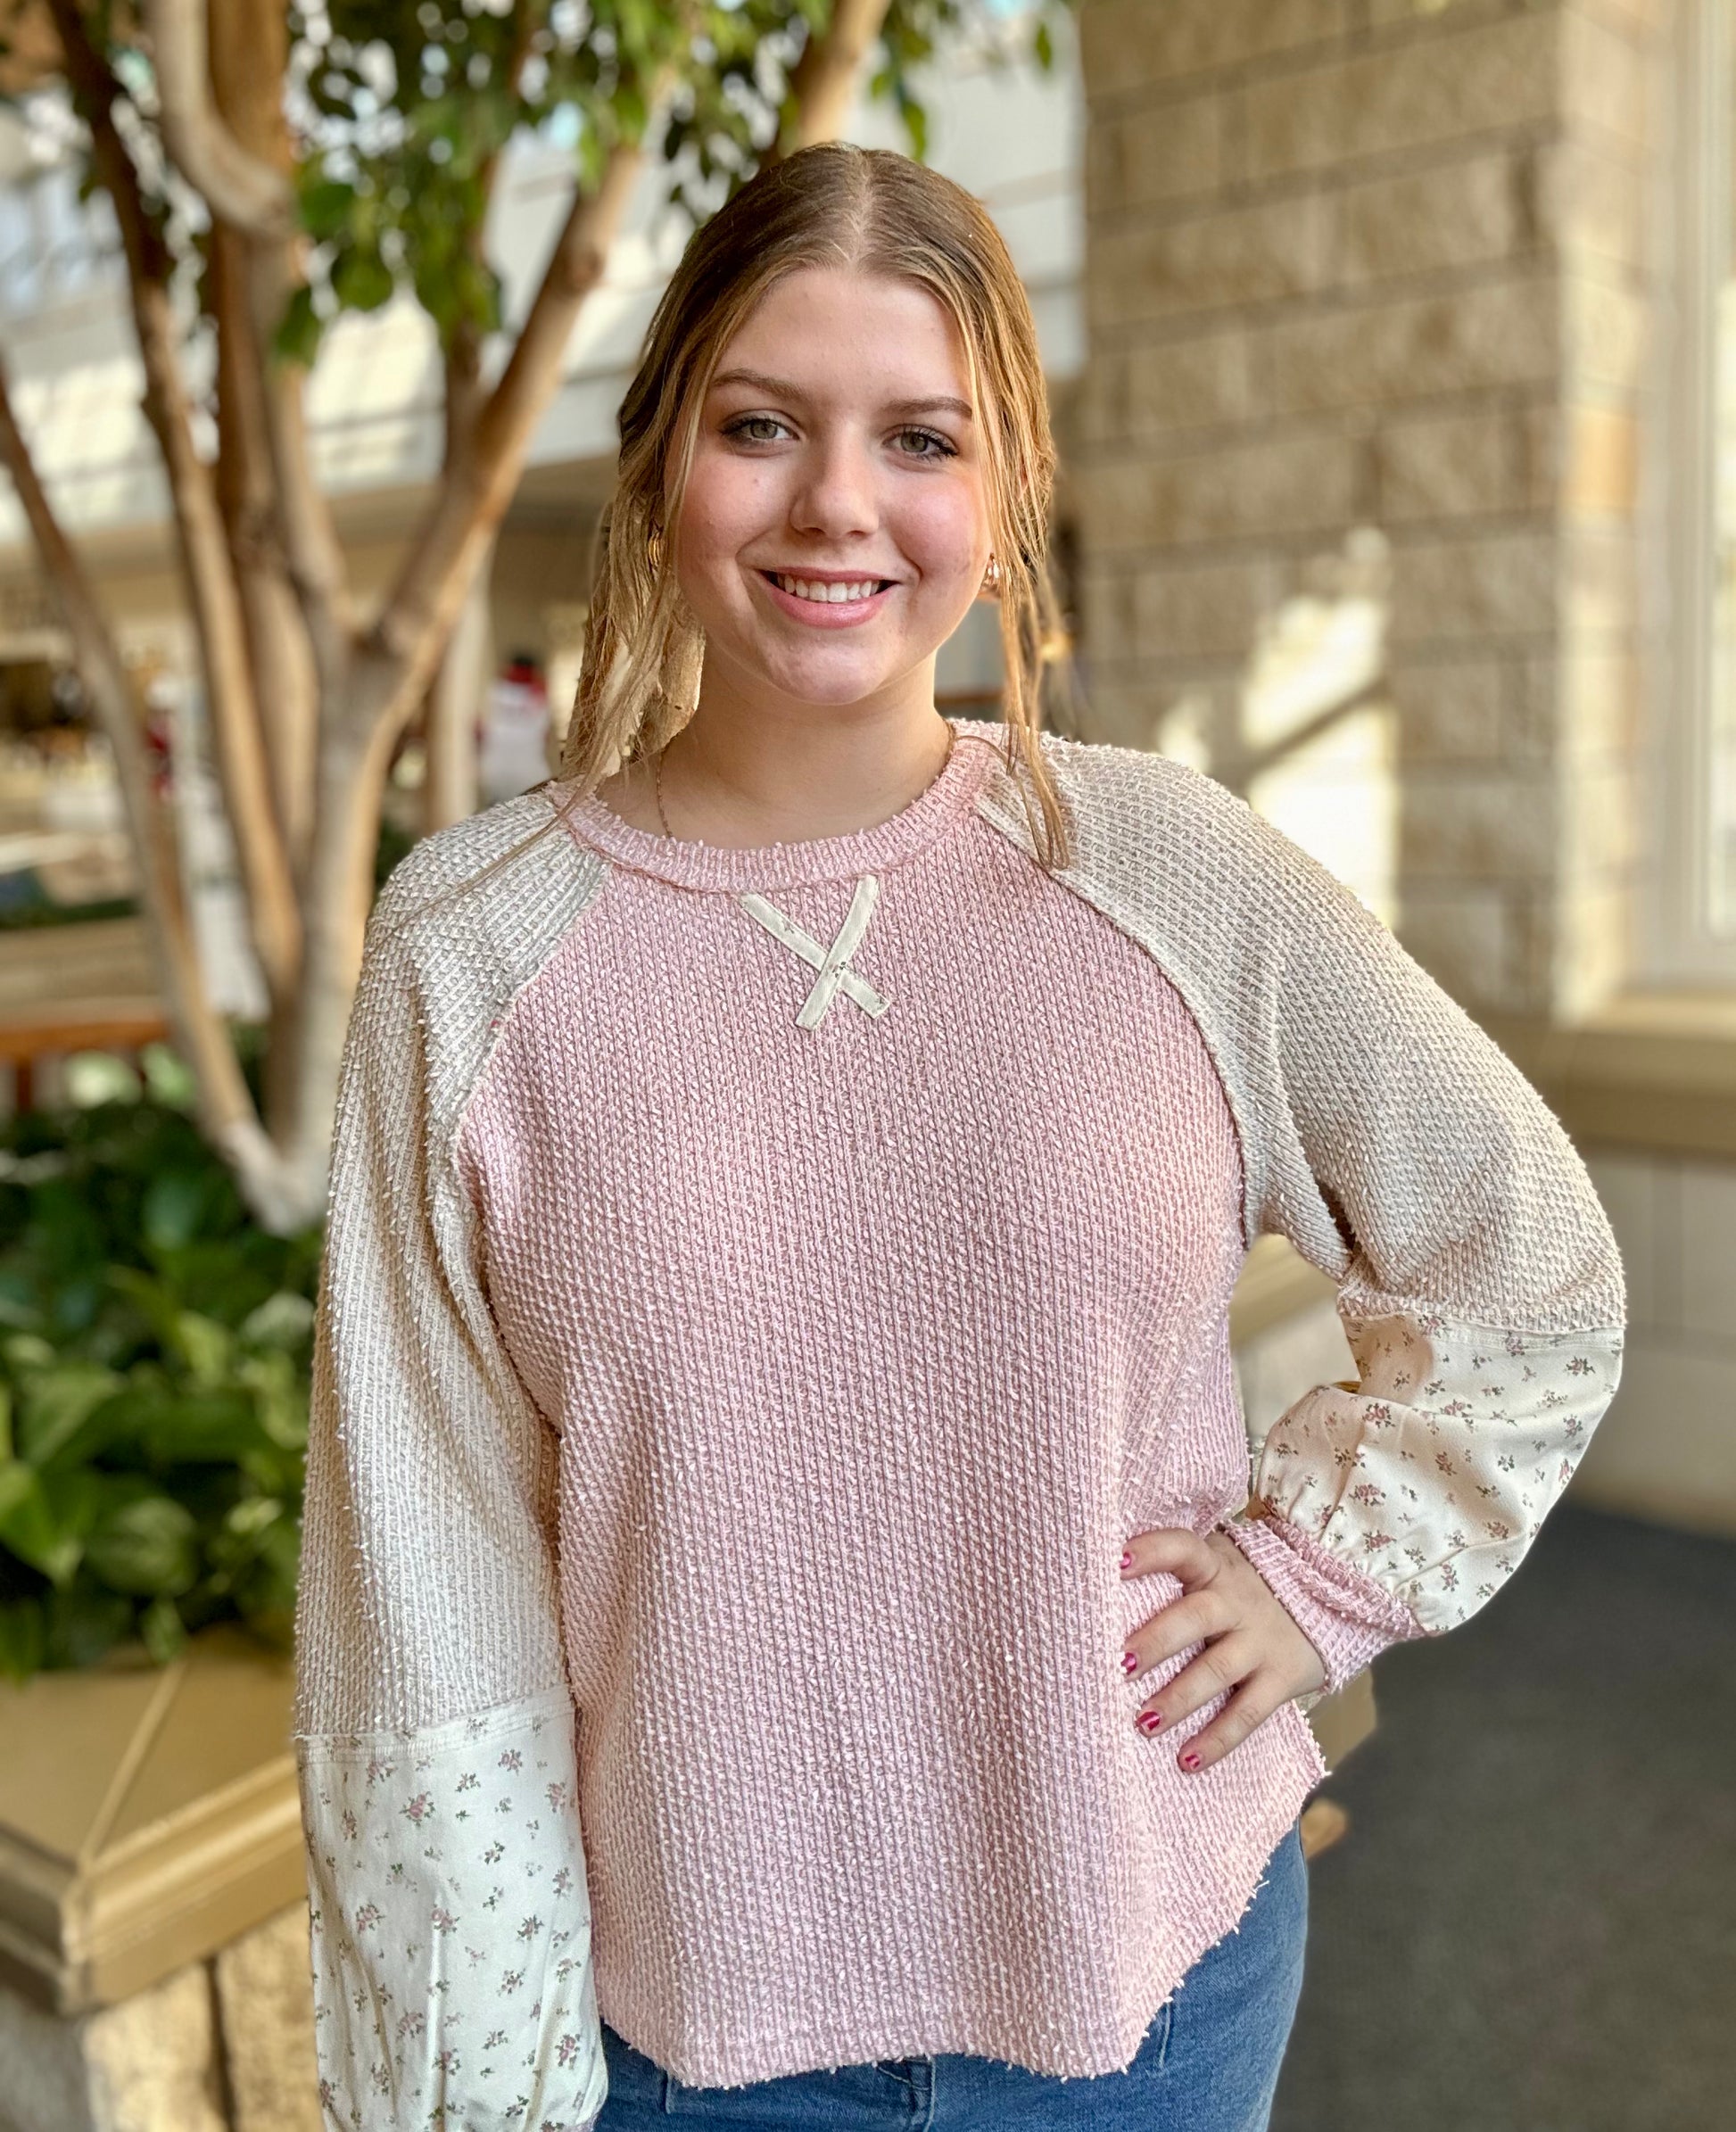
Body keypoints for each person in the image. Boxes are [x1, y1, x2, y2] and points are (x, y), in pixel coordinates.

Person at [292, 144, 1624, 2132]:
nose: (837, 501)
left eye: (920, 437)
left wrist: (1317, 1573)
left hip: (1149, 1987)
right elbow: (423, 1572)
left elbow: (1524, 1269)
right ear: (659, 466)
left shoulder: (1170, 873)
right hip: (681, 2039)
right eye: (760, 424)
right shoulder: (470, 950)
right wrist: (476, 2082)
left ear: (1002, 501)